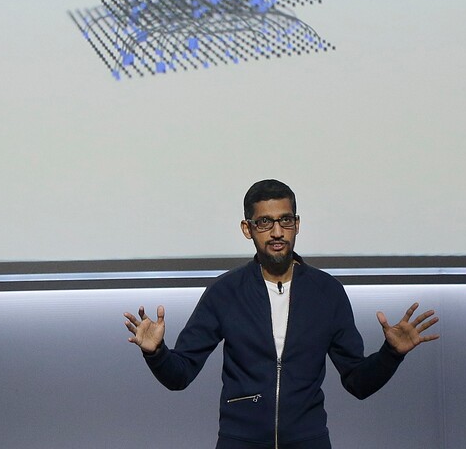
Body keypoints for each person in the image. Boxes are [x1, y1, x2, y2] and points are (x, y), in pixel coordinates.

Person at [124, 178, 439, 449]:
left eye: (285, 221)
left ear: (297, 225)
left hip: (309, 440)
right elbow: (180, 375)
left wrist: (391, 354)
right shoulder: (225, 292)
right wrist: (156, 352)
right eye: (265, 222)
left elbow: (358, 382)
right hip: (239, 441)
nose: (277, 232)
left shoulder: (327, 292)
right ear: (248, 229)